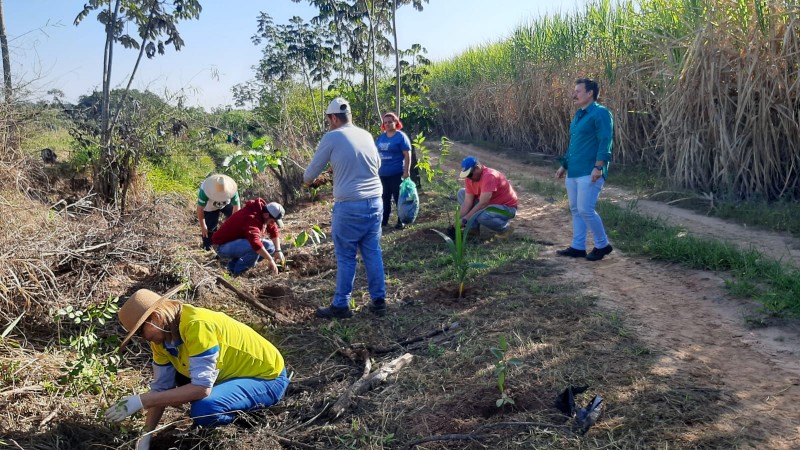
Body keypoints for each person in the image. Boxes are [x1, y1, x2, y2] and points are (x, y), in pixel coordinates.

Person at [104, 286, 289, 449]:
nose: (143, 339)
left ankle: (244, 421)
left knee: (204, 409)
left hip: (267, 378)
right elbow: (161, 388)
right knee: (181, 384)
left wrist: (141, 401)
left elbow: (201, 389)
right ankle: (226, 404)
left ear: (156, 317)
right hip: (229, 376)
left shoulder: (196, 325)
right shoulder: (160, 340)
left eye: (141, 332)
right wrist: (146, 435)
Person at [303, 97, 387, 319]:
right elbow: (377, 164)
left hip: (350, 206)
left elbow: (309, 175)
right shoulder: (366, 135)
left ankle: (341, 305)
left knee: (346, 256)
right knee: (372, 251)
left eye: (329, 119)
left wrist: (310, 180)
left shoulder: (332, 137)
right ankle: (379, 301)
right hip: (375, 202)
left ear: (333, 118)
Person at [555, 78, 614, 261]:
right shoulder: (579, 115)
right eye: (574, 91)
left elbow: (606, 140)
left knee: (585, 209)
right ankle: (578, 247)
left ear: (590, 93)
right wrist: (564, 165)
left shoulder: (600, 113)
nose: (574, 94)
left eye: (578, 91)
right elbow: (574, 143)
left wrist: (599, 166)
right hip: (574, 170)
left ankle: (602, 245)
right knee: (575, 209)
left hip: (590, 171)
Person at [211, 198, 285, 275]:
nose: (272, 223)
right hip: (221, 246)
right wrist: (270, 260)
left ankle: (232, 265)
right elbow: (255, 243)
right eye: (272, 221)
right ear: (266, 215)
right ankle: (241, 272)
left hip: (237, 243)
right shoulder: (251, 217)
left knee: (271, 246)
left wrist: (278, 250)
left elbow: (273, 230)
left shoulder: (264, 213)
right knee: (254, 247)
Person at [457, 156, 518, 238]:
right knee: (461, 193)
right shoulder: (469, 179)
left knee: (482, 217)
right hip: (489, 205)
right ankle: (472, 229)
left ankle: (506, 228)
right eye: (467, 175)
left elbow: (483, 204)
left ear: (477, 168)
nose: (469, 177)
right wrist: (458, 222)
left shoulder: (489, 176)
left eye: (470, 174)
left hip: (507, 209)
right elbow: (468, 202)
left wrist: (465, 220)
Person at [375, 112, 412, 229]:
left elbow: (407, 155)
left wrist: (407, 171)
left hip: (397, 173)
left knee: (398, 197)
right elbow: (375, 154)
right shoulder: (381, 138)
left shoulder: (400, 137)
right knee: (385, 197)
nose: (387, 124)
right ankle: (384, 221)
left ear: (396, 122)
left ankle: (401, 221)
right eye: (385, 122)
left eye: (390, 122)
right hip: (382, 174)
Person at [197, 174, 240, 250]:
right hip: (210, 208)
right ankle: (208, 248)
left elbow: (236, 207)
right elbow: (200, 209)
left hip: (226, 204)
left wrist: (233, 225)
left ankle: (234, 241)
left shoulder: (232, 189)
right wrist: (203, 225)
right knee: (209, 229)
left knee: (238, 221)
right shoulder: (204, 190)